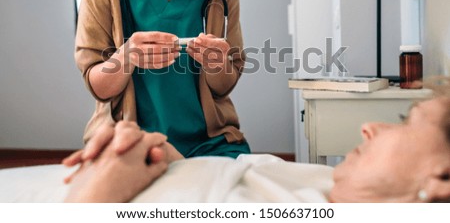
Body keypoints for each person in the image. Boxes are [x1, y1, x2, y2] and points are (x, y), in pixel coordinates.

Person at [63, 78, 450, 203]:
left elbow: (223, 82)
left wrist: (98, 192)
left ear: (443, 179)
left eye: (407, 121)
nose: (370, 126)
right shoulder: (316, 183)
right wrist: (161, 155)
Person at [75, 0, 250, 159]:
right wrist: (126, 57)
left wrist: (217, 63)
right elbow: (99, 87)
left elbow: (223, 87)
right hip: (131, 142)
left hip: (209, 144)